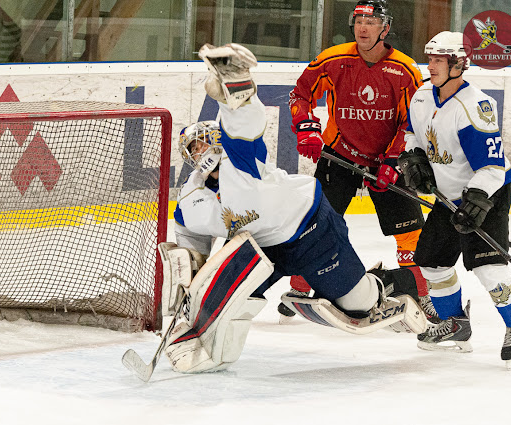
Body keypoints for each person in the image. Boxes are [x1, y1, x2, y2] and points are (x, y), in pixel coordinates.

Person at [160, 42, 425, 374]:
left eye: (206, 141)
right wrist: (186, 296)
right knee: (227, 302)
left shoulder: (241, 162)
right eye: (193, 149)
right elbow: (193, 259)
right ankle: (209, 352)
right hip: (258, 251)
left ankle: (388, 283)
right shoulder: (190, 203)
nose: (202, 151)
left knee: (358, 307)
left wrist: (236, 87)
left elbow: (243, 125)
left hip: (311, 232)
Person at [284, 0, 436, 324]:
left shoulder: (405, 71)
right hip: (341, 154)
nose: (363, 27)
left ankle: (423, 295)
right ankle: (300, 287)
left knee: (412, 234)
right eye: (358, 21)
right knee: (316, 222)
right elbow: (300, 94)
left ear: (386, 28)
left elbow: (414, 122)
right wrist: (308, 131)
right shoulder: (334, 60)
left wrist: (394, 161)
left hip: (386, 162)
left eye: (371, 21)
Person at [398, 31, 511, 368]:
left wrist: (476, 201)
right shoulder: (422, 96)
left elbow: (492, 167)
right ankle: (456, 326)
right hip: (448, 197)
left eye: (439, 60)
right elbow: (413, 133)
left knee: (489, 269)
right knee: (432, 262)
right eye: (430, 59)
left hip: (487, 194)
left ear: (459, 63)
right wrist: (413, 158)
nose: (432, 66)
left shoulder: (475, 107)